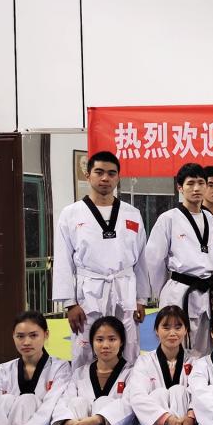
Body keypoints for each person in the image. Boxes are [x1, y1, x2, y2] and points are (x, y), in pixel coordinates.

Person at [52, 151, 149, 367]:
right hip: (88, 294)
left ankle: (128, 386)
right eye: (99, 172)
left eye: (111, 173)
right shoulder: (71, 213)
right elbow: (63, 261)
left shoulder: (132, 213)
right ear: (88, 175)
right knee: (86, 346)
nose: (105, 178)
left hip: (125, 290)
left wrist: (141, 299)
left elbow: (141, 260)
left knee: (128, 346)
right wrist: (69, 304)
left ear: (118, 177)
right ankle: (83, 387)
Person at [52, 316, 135, 425]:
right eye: (99, 339)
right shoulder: (80, 373)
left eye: (112, 339)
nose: (105, 345)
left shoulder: (131, 372)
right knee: (76, 403)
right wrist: (70, 423)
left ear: (121, 342)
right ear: (92, 343)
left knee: (104, 403)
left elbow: (128, 405)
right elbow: (64, 402)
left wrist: (96, 420)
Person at [144, 163, 213, 354]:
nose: (196, 188)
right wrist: (160, 291)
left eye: (201, 183)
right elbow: (154, 260)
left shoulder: (210, 218)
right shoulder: (168, 218)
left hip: (207, 291)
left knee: (205, 347)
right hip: (179, 291)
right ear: (180, 187)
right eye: (190, 183)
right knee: (177, 346)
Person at [126, 306, 204, 425]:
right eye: (166, 327)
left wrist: (190, 418)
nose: (172, 333)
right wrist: (167, 419)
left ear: (186, 330)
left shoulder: (196, 360)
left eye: (178, 327)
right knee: (159, 394)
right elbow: (136, 397)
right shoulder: (144, 361)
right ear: (156, 330)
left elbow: (201, 394)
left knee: (179, 391)